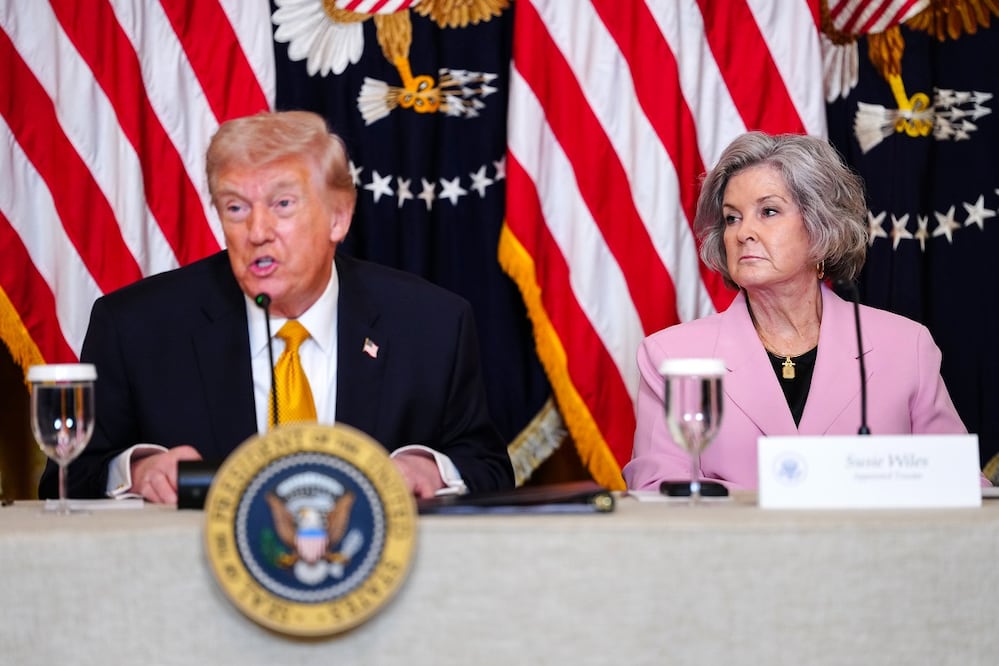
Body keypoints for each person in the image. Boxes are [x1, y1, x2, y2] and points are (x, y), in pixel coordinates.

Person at [38, 110, 513, 503]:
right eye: (236, 207)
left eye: (283, 204)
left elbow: (489, 468)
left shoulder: (430, 325)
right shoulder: (137, 327)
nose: (257, 231)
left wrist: (430, 467)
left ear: (338, 217)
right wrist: (136, 470)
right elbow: (63, 483)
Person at [624, 131, 989, 490]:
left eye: (768, 211)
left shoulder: (906, 346)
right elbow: (657, 488)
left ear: (820, 227)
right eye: (732, 217)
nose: (743, 232)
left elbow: (957, 481)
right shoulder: (672, 356)